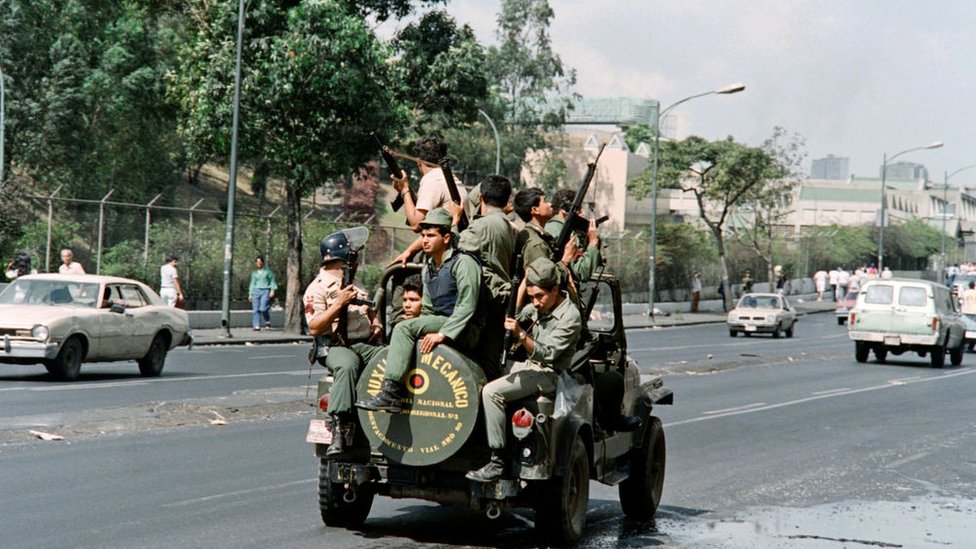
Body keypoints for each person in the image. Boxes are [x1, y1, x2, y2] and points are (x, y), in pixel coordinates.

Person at [466, 257, 582, 482]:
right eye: (532, 297)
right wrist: (520, 292)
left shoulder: (570, 317)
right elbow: (516, 315)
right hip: (529, 367)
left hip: (549, 373)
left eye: (540, 296)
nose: (536, 303)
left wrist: (520, 333)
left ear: (555, 289)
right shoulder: (540, 305)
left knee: (492, 392)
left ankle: (497, 460)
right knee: (480, 375)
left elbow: (547, 354)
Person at [356, 208, 483, 413]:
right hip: (443, 321)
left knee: (404, 329)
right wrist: (423, 331)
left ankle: (391, 392)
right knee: (408, 329)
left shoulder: (464, 263)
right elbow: (429, 310)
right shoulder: (430, 267)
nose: (424, 240)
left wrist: (442, 334)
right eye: (423, 235)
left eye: (431, 235)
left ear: (447, 238)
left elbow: (467, 305)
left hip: (466, 329)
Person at [304, 229, 384, 457]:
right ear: (344, 259)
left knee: (389, 357)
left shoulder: (355, 284)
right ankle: (339, 429)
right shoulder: (317, 288)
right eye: (354, 256)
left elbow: (370, 313)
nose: (357, 260)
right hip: (335, 346)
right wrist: (338, 304)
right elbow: (315, 327)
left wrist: (375, 324)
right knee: (347, 365)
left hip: (363, 344)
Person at [457, 175, 515, 377]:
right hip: (500, 301)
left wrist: (455, 222)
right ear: (506, 201)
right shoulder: (507, 225)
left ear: (480, 198)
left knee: (478, 362)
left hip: (487, 302)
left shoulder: (481, 227)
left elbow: (456, 252)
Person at [391, 135, 468, 232]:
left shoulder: (432, 179)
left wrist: (404, 190)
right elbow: (436, 231)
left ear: (419, 162)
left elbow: (416, 225)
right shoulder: (449, 177)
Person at [546, 188, 601, 284]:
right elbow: (582, 272)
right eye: (578, 210)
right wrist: (593, 241)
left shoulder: (552, 228)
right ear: (565, 210)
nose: (582, 213)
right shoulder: (563, 233)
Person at [248, 256, 278, 331]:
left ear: (263, 262)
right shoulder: (254, 273)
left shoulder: (268, 272)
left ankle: (267, 320)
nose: (259, 264)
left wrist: (272, 290)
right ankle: (256, 325)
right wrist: (250, 294)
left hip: (265, 290)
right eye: (257, 262)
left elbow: (272, 281)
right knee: (256, 309)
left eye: (260, 262)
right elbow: (252, 283)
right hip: (256, 290)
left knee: (263, 308)